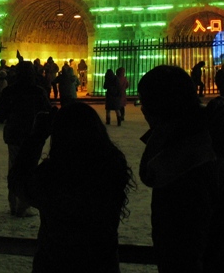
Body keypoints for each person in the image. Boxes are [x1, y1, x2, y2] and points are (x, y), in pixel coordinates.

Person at [137, 65, 224, 272]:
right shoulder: (215, 137)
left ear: (159, 107)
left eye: (144, 102)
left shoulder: (185, 161)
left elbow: (182, 252)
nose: (142, 110)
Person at [8, 102, 134, 272]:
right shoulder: (111, 167)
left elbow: (18, 181)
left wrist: (37, 136)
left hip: (56, 262)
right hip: (101, 262)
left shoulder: (55, 175)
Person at [0, 58, 51, 217]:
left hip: (14, 134)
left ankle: (13, 202)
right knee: (29, 168)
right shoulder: (38, 91)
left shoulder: (10, 91)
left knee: (14, 167)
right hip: (32, 134)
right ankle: (24, 204)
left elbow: (1, 112)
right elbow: (46, 110)